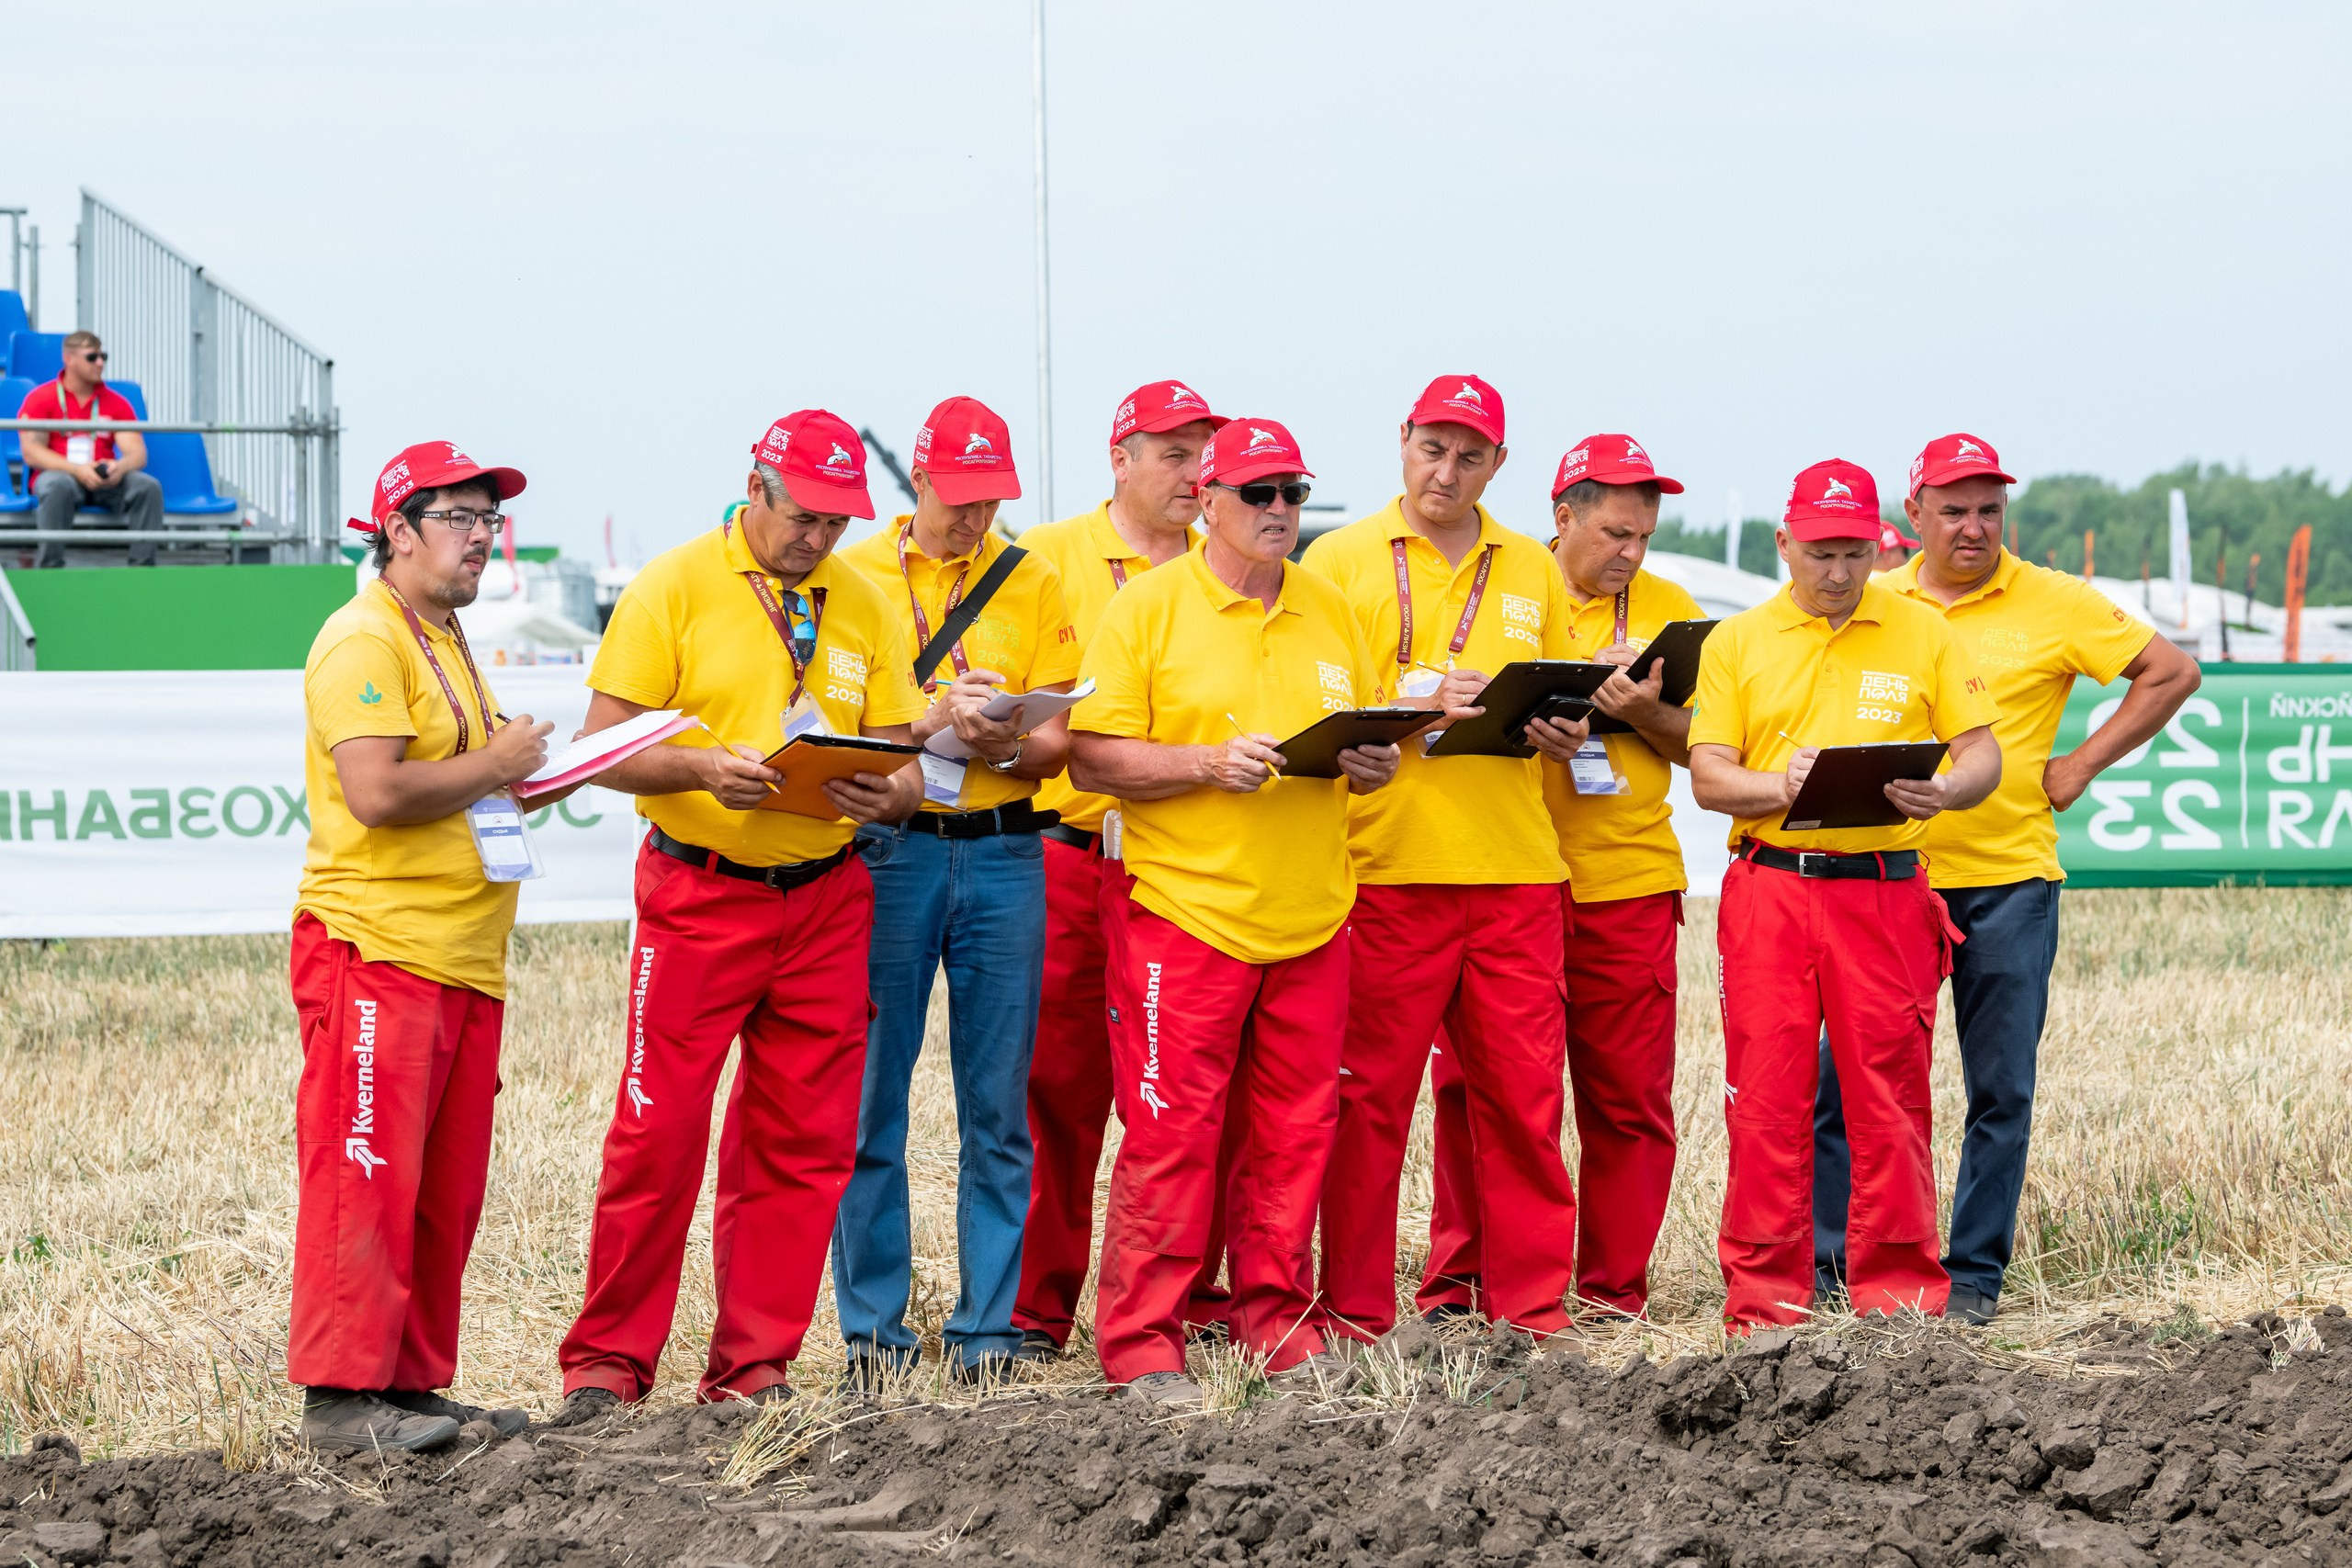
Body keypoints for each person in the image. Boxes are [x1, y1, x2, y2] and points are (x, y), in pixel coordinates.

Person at [553, 411, 926, 1419]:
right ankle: (607, 1367)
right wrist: (698, 770)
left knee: (801, 1144)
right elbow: (600, 748)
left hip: (826, 896)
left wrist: (882, 791)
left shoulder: (860, 600)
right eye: (804, 517)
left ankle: (753, 1367)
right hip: (697, 891)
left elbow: (900, 760)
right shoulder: (674, 584)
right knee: (657, 1132)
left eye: (838, 523)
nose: (819, 541)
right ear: (755, 488)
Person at [1813, 434, 2199, 1324]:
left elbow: (2172, 671)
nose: (1973, 526)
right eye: (1953, 509)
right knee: (1850, 1082)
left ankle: (1974, 1280)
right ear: (1912, 516)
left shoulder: (2054, 601)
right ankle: (1835, 1271)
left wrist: (2079, 766)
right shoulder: (1872, 600)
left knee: (2000, 1090)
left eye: (1988, 509)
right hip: (1885, 875)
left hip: (2008, 883)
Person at [1069, 417, 1400, 1403]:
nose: (1279, 512)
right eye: (1257, 494)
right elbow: (1092, 757)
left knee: (1297, 1133)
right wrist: (1207, 764)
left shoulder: (1332, 609)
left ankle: (1275, 1323)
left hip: (1311, 916)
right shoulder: (1147, 610)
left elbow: (1368, 749)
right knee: (1171, 1133)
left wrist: (1372, 762)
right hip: (1187, 913)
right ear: (1205, 500)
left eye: (1292, 493)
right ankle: (1141, 1341)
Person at [1299, 376, 1588, 1343]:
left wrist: (1556, 729)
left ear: (1498, 465)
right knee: (1367, 1104)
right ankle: (1353, 1311)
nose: (1446, 472)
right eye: (1432, 449)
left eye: (1469, 456)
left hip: (1513, 869)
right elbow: (1316, 702)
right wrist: (1419, 694)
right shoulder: (1338, 558)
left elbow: (1552, 695)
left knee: (1521, 1103)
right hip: (1386, 869)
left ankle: (1530, 1309)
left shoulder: (1533, 569)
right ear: (1402, 442)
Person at [1688, 457, 2001, 1330]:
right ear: (1785, 544)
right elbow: (1710, 778)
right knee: (1767, 1097)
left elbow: (1981, 752)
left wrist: (1946, 790)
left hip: (1884, 890)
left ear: (1881, 544)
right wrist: (1776, 785)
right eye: (1822, 552)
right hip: (1772, 887)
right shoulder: (1738, 641)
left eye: (1857, 552)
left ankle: (1899, 1291)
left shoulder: (1924, 632)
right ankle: (1764, 1300)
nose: (1839, 572)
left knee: (1891, 1092)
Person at [290, 442, 552, 1450]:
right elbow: (379, 793)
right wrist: (495, 762)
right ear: (396, 531)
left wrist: (513, 777)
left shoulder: (437, 632)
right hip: (378, 944)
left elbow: (457, 778)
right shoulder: (364, 638)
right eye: (460, 518)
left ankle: (405, 1389)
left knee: (440, 1190)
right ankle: (340, 1400)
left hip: (456, 950)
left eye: (490, 519)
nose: (483, 536)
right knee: (365, 1173)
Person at [1420, 434, 1709, 1323]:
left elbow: (1699, 746)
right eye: (1615, 533)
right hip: (1503, 875)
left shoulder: (1672, 611)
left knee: (1626, 1100)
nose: (1631, 554)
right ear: (1561, 517)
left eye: (1644, 537)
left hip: (1623, 880)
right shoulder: (1501, 583)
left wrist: (1644, 710)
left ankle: (1611, 1291)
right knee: (1481, 1093)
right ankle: (1462, 1282)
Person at [829, 396, 1080, 1384]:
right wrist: (928, 719)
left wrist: (1006, 738)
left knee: (997, 1104)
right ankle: (875, 1335)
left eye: (994, 499)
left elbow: (1061, 733)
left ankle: (987, 1333)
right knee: (871, 1099)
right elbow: (835, 714)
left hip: (1006, 849)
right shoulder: (854, 577)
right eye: (963, 497)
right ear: (919, 479)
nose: (977, 518)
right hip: (896, 849)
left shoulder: (1033, 577)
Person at [1011, 381, 1227, 1361]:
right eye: (1174, 454)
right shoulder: (1047, 558)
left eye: (1205, 455)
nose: (1195, 474)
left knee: (1183, 1095)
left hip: (1189, 863)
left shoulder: (1228, 563)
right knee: (1057, 1090)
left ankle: (1181, 1298)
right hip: (1072, 852)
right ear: (1119, 457)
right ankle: (1036, 1309)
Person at [16, 332, 164, 568]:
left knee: (147, 487)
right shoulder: (41, 398)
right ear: (69, 359)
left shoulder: (117, 402)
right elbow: (32, 452)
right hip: (62, 474)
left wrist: (119, 466)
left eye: (103, 356)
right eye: (92, 357)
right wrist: (77, 470)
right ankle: (50, 569)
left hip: (105, 478)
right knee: (56, 485)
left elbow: (137, 454)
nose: (100, 363)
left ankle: (142, 569)